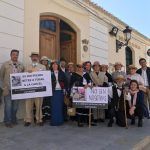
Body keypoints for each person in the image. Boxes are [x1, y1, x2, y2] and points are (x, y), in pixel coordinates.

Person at [0, 49, 24, 127]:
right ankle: (8, 121)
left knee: (15, 107)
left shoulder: (21, 65)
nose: (15, 56)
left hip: (17, 90)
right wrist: (3, 87)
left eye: (16, 55)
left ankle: (13, 119)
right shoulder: (5, 64)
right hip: (8, 89)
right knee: (8, 106)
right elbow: (1, 76)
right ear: (11, 55)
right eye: (13, 54)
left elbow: (24, 76)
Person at [24, 52, 46, 127]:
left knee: (39, 105)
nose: (34, 58)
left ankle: (39, 119)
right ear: (31, 58)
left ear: (38, 58)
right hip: (29, 90)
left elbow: (45, 78)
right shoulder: (27, 67)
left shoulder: (42, 67)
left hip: (39, 90)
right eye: (33, 56)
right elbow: (23, 78)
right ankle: (28, 120)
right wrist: (27, 73)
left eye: (35, 56)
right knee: (28, 105)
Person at [50, 60, 68, 126]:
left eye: (56, 64)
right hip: (53, 92)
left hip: (60, 92)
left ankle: (60, 121)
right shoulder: (49, 73)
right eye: (53, 65)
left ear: (58, 66)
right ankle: (54, 121)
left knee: (60, 106)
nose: (54, 66)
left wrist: (65, 89)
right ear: (51, 66)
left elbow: (66, 81)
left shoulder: (62, 73)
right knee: (54, 107)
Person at [40, 56, 51, 122]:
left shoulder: (49, 68)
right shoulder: (39, 68)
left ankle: (47, 116)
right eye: (43, 60)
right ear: (41, 61)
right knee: (42, 103)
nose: (44, 62)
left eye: (46, 61)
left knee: (47, 103)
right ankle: (42, 117)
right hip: (41, 88)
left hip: (48, 88)